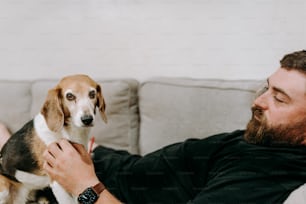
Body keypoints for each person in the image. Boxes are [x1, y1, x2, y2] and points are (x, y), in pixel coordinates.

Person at [2, 50, 306, 203]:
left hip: (81, 183)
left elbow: (86, 190)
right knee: (8, 140)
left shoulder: (268, 171)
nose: (259, 102)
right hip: (104, 160)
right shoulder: (267, 138)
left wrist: (85, 187)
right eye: (266, 88)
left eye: (279, 99)